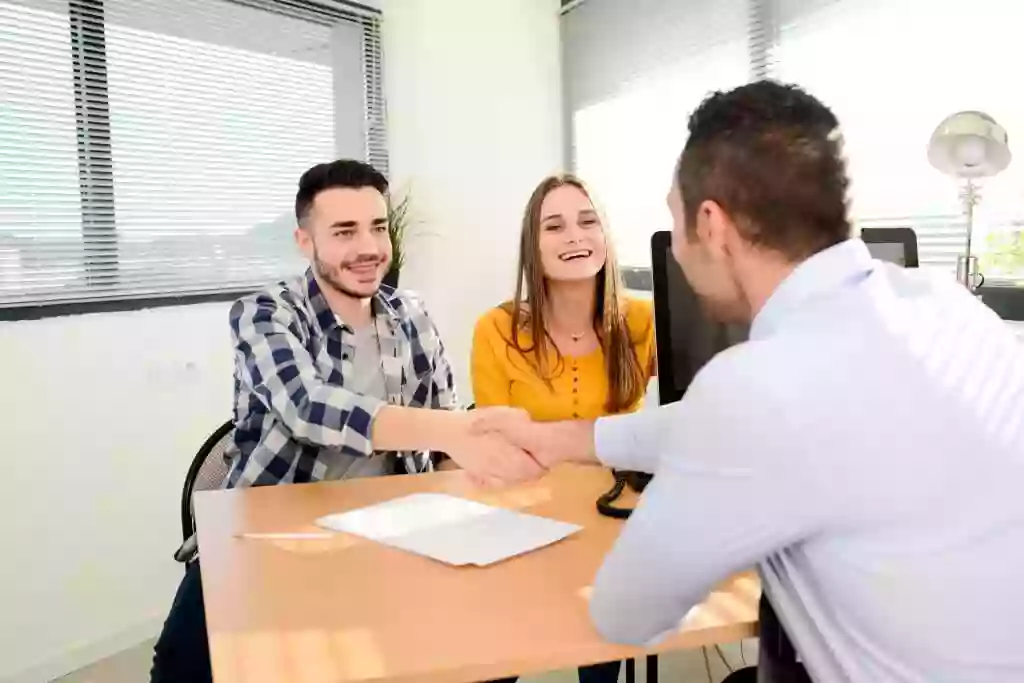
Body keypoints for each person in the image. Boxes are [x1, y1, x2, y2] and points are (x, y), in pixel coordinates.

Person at [473, 81, 1024, 682]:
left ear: (711, 225)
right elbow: (733, 423)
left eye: (676, 224)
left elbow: (623, 614)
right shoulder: (950, 306)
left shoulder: (755, 387)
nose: (677, 254)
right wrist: (572, 440)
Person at [150, 159, 543, 683]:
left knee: (490, 652)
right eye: (344, 231)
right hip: (265, 530)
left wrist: (474, 485)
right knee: (183, 672)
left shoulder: (411, 315)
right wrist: (450, 429)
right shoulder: (265, 313)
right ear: (305, 241)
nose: (368, 248)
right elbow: (307, 406)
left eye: (378, 227)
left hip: (390, 531)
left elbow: (445, 431)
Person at [471, 174, 656, 683]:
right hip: (521, 524)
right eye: (554, 226)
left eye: (587, 221)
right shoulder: (497, 330)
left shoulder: (644, 321)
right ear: (534, 247)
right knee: (495, 660)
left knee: (599, 658)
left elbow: (693, 400)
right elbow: (496, 445)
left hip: (611, 525)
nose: (574, 236)